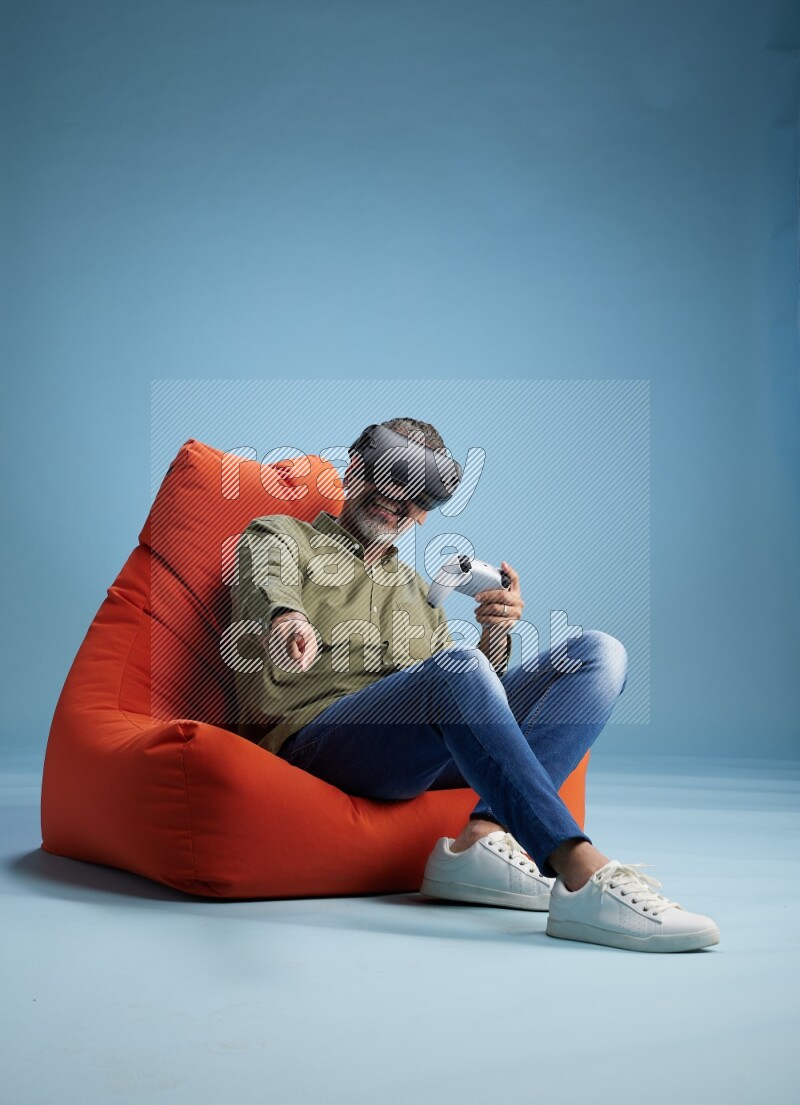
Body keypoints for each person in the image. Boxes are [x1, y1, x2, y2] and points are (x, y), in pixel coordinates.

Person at [231, 417, 720, 953]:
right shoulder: (281, 535)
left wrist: (495, 636)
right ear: (356, 470)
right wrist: (287, 619)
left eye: (419, 496)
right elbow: (268, 583)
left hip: (410, 753)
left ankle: (482, 837)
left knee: (599, 653)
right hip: (320, 741)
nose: (399, 503)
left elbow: (467, 705)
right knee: (458, 668)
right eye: (390, 481)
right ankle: (579, 871)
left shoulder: (420, 592)